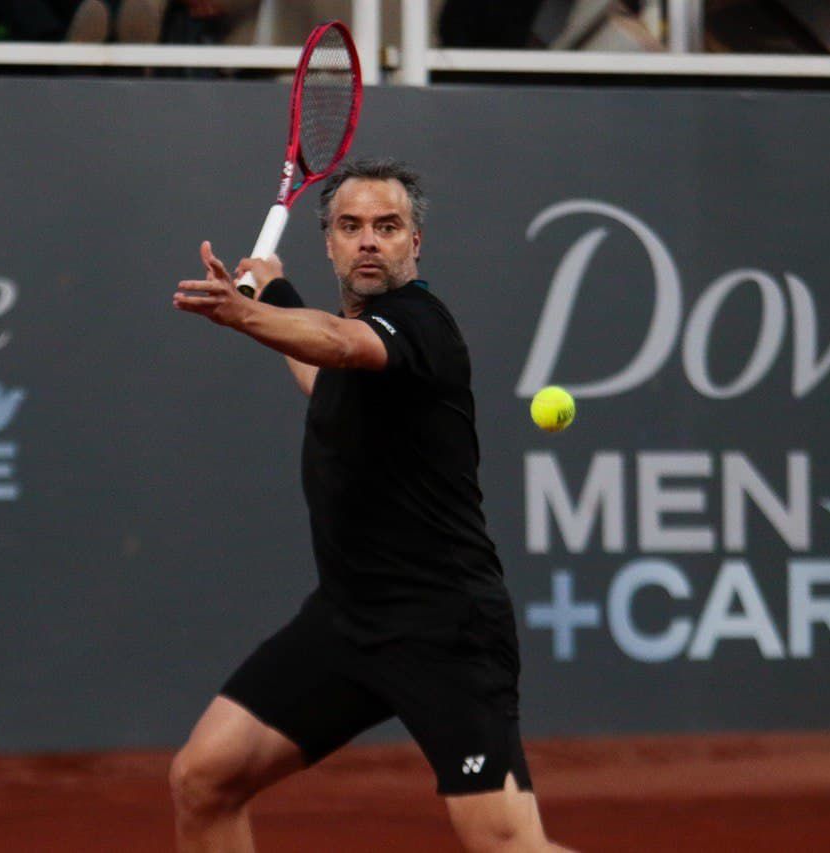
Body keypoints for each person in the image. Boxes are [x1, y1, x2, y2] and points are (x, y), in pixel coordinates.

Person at [170, 158, 573, 852]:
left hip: (444, 626)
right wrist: (275, 289)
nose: (368, 241)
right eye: (351, 226)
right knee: (204, 778)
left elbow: (341, 343)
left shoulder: (419, 325)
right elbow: (322, 370)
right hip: (348, 620)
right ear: (327, 241)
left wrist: (248, 312)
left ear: (415, 243)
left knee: (506, 842)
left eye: (387, 227)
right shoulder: (347, 345)